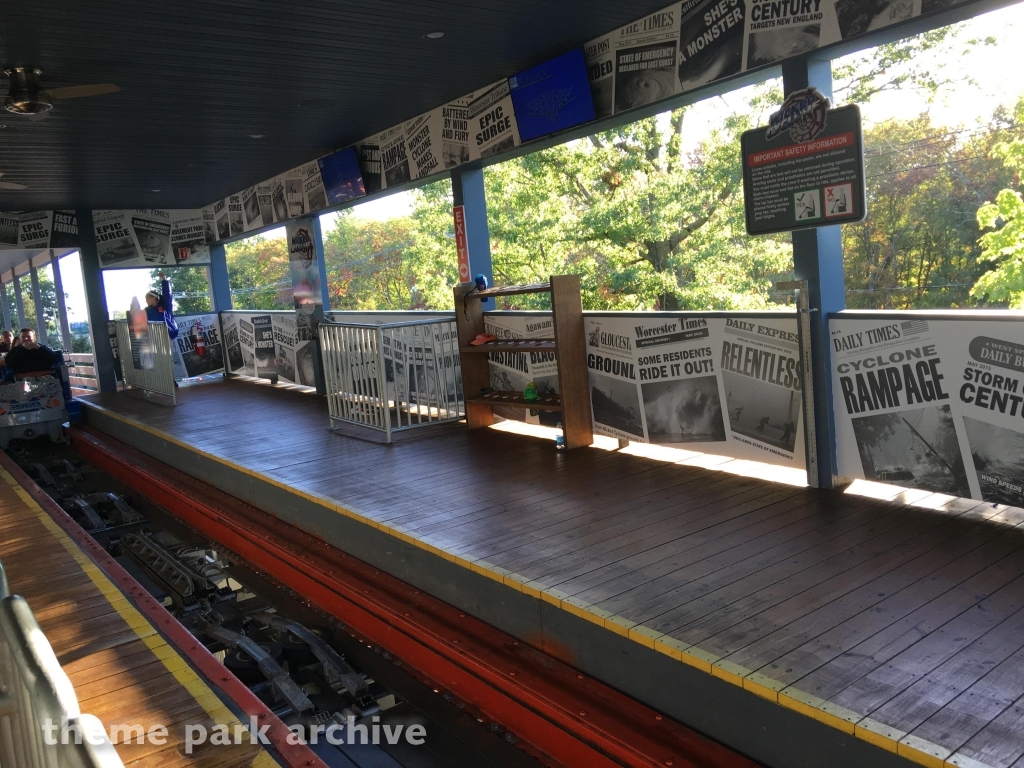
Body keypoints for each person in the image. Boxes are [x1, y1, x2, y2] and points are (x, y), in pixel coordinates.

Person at [145, 272, 179, 339]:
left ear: (154, 298)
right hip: (156, 337)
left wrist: (164, 280)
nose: (146, 301)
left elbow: (167, 295)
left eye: (147, 298)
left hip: (168, 334)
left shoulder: (165, 306)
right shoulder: (147, 310)